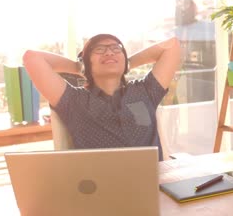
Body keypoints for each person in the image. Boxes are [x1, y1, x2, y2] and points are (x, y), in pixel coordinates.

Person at [22, 33, 181, 161]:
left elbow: (171, 46)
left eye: (116, 48)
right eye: (99, 49)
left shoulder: (146, 91)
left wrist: (127, 63)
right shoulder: (73, 101)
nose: (109, 52)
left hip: (153, 184)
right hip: (100, 190)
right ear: (86, 62)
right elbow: (32, 58)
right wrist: (81, 67)